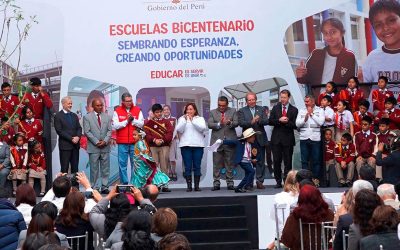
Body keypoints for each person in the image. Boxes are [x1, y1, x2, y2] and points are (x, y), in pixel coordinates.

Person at [296, 18, 357, 98]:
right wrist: (300, 75)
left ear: (342, 33)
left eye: (333, 32)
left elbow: (353, 86)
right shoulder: (316, 54)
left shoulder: (349, 57)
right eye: (325, 33)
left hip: (338, 106)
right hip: (317, 104)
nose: (329, 36)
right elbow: (305, 80)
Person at [280, 185, 334, 250]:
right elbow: (335, 234)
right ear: (319, 197)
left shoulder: (294, 217)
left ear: (300, 199)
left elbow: (286, 240)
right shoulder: (329, 214)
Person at [361, 0, 400, 83]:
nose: (385, 28)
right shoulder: (372, 57)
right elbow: (365, 89)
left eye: (391, 20)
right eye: (378, 25)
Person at [237, 92, 269, 189]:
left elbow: (266, 121)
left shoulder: (262, 109)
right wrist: (252, 122)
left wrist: (258, 120)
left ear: (256, 99)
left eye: (253, 99)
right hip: (248, 140)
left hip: (260, 138)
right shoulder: (242, 110)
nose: (251, 101)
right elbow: (241, 123)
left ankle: (260, 181)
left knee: (260, 161)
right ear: (246, 101)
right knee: (248, 161)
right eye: (249, 100)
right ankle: (249, 183)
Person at [112, 92, 144, 184]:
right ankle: (124, 184)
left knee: (136, 164)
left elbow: (141, 124)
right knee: (122, 164)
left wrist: (133, 120)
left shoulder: (138, 110)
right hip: (122, 143)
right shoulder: (117, 111)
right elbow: (115, 126)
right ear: (123, 102)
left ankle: (134, 183)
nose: (129, 103)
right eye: (127, 101)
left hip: (134, 142)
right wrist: (126, 121)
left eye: (130, 101)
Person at [207, 96, 238, 191]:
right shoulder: (212, 112)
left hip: (229, 141)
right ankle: (216, 183)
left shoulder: (233, 111)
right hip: (217, 142)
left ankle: (230, 183)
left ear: (227, 104)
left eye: (223, 106)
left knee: (229, 163)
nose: (221, 107)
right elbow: (209, 124)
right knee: (216, 164)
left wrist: (230, 122)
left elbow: (237, 123)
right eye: (219, 105)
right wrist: (219, 124)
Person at [269, 90, 298, 188]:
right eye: (281, 97)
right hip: (276, 139)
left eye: (284, 97)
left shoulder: (294, 110)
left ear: (288, 98)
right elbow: (270, 121)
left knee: (288, 162)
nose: (282, 99)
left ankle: (287, 181)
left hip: (288, 139)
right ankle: (278, 181)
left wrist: (287, 121)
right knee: (276, 161)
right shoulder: (276, 107)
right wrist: (279, 120)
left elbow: (295, 125)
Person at [176, 103, 207, 192]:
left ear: (195, 110)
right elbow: (179, 129)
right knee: (187, 166)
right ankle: (189, 186)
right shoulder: (182, 119)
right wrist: (185, 120)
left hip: (198, 146)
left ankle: (197, 186)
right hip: (185, 146)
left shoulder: (200, 119)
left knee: (197, 166)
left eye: (191, 109)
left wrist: (192, 120)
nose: (189, 111)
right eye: (187, 109)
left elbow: (202, 128)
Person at [83, 98, 112, 193]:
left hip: (105, 147)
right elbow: (87, 132)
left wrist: (105, 141)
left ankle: (105, 187)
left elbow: (109, 131)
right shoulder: (87, 117)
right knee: (94, 169)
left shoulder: (107, 117)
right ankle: (94, 187)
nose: (100, 107)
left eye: (101, 105)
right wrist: (96, 142)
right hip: (93, 147)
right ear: (93, 106)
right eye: (98, 105)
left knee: (105, 168)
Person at [295, 95, 325, 186]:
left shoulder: (320, 110)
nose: (305, 103)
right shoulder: (302, 110)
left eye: (307, 101)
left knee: (316, 160)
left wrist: (311, 114)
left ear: (312, 101)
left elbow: (321, 122)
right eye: (305, 101)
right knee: (304, 160)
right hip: (304, 138)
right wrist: (304, 119)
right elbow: (297, 124)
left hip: (315, 138)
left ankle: (315, 180)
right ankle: (305, 181)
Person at [143, 104, 173, 192]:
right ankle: (156, 185)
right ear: (153, 113)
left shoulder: (167, 122)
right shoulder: (149, 123)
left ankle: (165, 185)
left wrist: (163, 140)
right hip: (153, 147)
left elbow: (170, 134)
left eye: (160, 112)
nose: (159, 114)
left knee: (164, 166)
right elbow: (147, 135)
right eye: (157, 112)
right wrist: (154, 140)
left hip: (164, 146)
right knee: (154, 166)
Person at [266, 170, 299, 250]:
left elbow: (273, 216)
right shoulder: (301, 196)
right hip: (298, 235)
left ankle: (272, 245)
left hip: (281, 235)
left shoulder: (278, 197)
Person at [221, 128, 259, 193]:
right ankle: (246, 186)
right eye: (253, 137)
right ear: (248, 137)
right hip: (242, 161)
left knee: (247, 175)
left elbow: (254, 153)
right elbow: (232, 142)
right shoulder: (240, 142)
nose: (254, 138)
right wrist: (222, 141)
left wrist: (254, 159)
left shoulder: (253, 144)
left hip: (248, 161)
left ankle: (238, 188)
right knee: (252, 171)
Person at [54, 96, 82, 174]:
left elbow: (79, 128)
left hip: (75, 147)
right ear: (63, 104)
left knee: (75, 169)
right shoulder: (58, 116)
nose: (70, 105)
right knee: (64, 169)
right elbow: (59, 131)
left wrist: (78, 137)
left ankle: (75, 186)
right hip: (65, 147)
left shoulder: (74, 115)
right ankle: (64, 186)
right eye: (69, 103)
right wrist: (71, 138)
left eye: (71, 103)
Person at [162, 105, 178, 181]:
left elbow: (175, 129)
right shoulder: (161, 120)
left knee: (172, 158)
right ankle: (169, 172)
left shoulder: (174, 119)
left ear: (170, 110)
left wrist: (171, 139)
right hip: (165, 142)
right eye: (164, 110)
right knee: (166, 158)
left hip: (172, 140)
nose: (166, 111)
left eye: (167, 109)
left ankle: (174, 172)